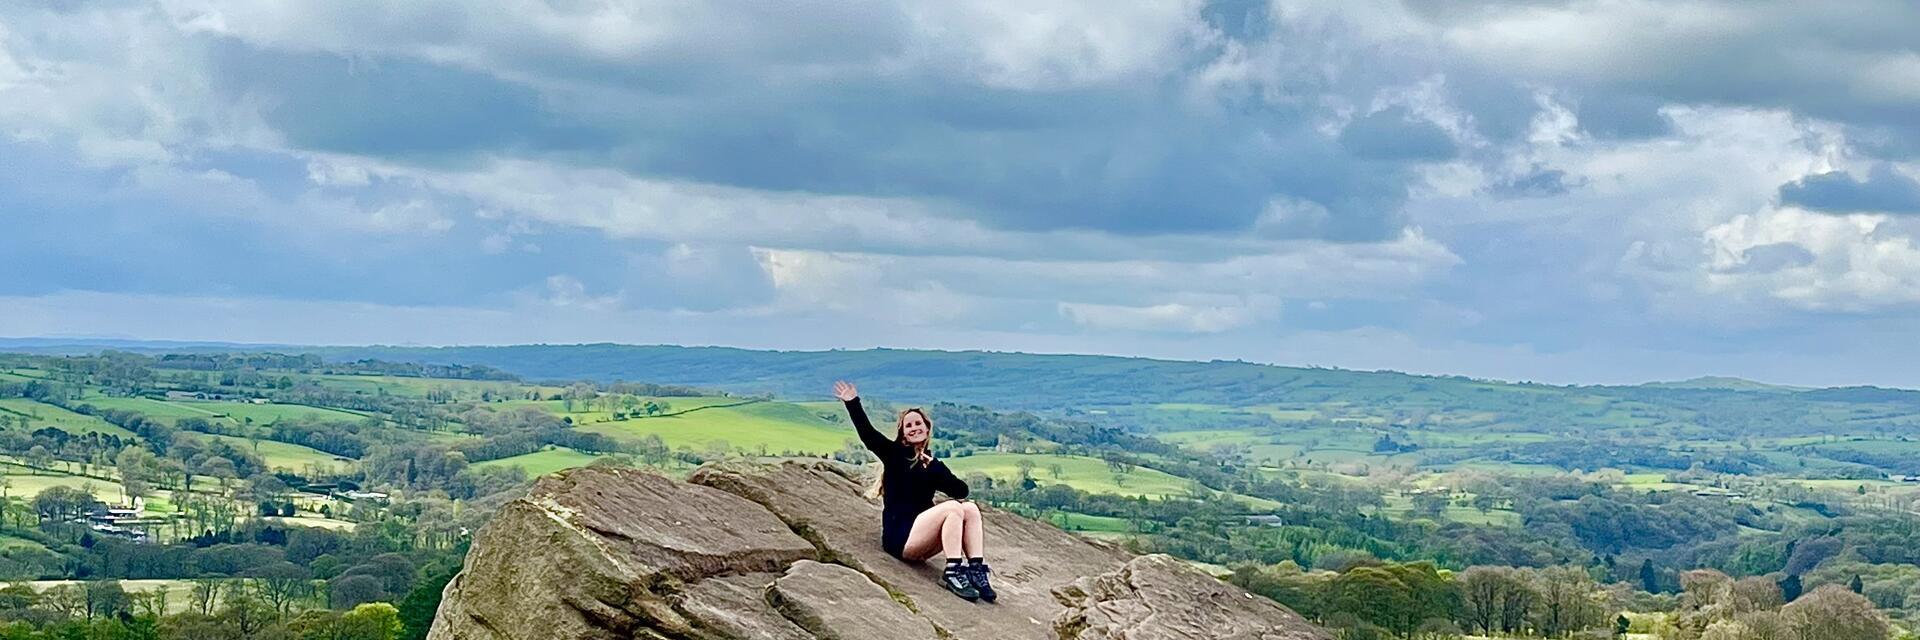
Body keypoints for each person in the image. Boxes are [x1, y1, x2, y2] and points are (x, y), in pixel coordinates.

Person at [833, 380, 995, 602]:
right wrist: (852, 402)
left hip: (923, 539)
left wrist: (936, 468)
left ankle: (976, 570)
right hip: (900, 538)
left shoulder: (932, 465)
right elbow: (868, 434)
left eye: (918, 423)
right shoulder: (893, 454)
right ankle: (952, 572)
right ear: (903, 434)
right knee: (952, 509)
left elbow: (961, 490)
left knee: (969, 508)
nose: (914, 427)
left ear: (927, 428)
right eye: (908, 426)